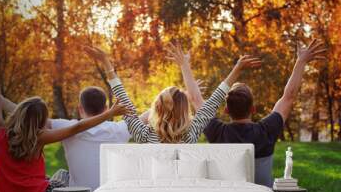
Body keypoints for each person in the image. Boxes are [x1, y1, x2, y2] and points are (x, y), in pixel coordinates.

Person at [0, 38, 129, 192]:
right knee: (63, 176)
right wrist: (109, 114)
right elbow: (78, 127)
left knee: (61, 175)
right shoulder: (40, 137)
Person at [167, 40, 326, 187]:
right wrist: (301, 61)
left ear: (226, 110)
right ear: (253, 109)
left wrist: (184, 64)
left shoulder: (217, 132)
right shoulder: (266, 131)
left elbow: (195, 99)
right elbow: (289, 97)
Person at [84, 45, 261, 143]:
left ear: (156, 109)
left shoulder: (144, 135)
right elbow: (214, 100)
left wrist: (107, 64)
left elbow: (125, 102)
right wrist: (237, 69)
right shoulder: (191, 133)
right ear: (185, 111)